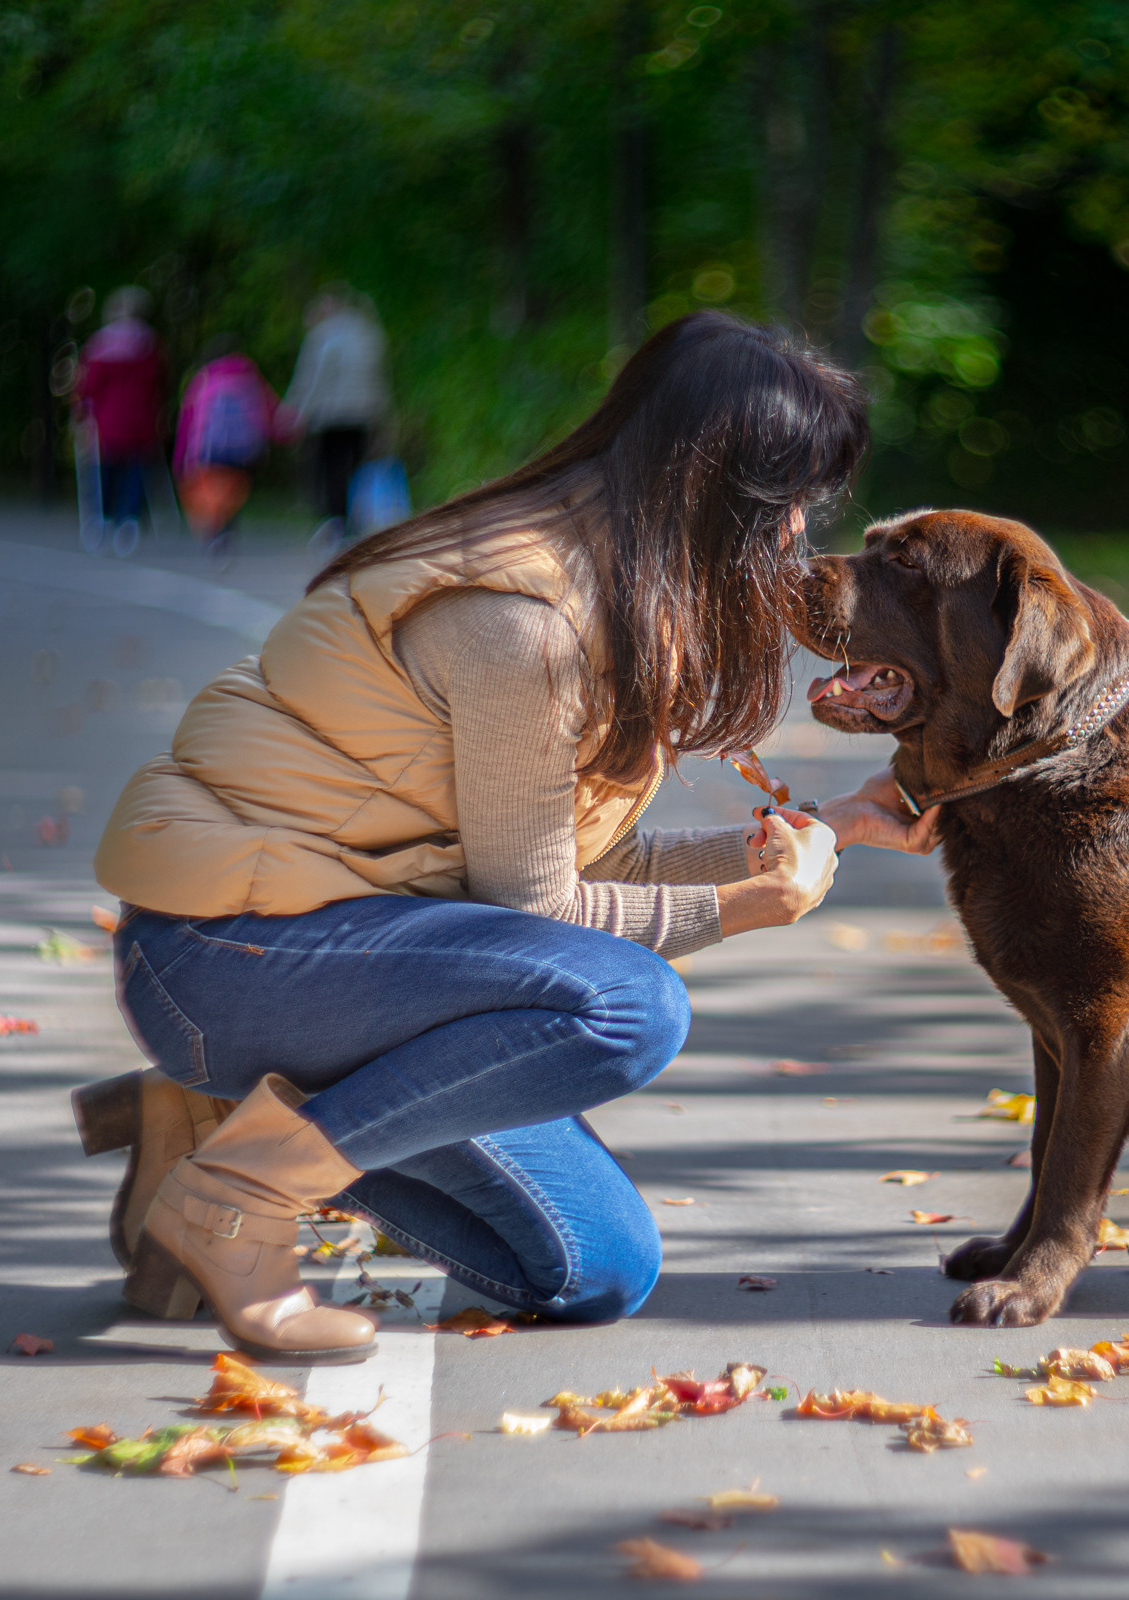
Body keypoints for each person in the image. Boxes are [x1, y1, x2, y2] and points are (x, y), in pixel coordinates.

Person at [82, 312, 941, 1363]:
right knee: (629, 1002)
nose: (801, 532)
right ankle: (241, 1191)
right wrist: (746, 907)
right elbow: (541, 915)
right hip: (231, 948)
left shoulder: (617, 595)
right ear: (716, 495)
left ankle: (223, 1118)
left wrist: (829, 831)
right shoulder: (521, 620)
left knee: (594, 1269)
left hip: (361, 952)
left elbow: (572, 868)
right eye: (791, 502)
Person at [280, 285, 389, 554]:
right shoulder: (369, 332)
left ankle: (336, 523)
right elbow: (380, 375)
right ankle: (355, 523)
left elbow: (312, 377)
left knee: (331, 467)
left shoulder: (324, 334)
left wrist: (296, 410)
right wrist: (382, 412)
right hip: (365, 412)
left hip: (332, 413)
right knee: (355, 466)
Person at [73, 287, 167, 558]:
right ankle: (128, 521)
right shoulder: (150, 344)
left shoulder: (99, 345)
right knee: (135, 469)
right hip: (141, 418)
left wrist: (81, 413)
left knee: (104, 468)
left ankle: (101, 519)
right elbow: (159, 382)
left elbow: (89, 385)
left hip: (107, 420)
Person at [173, 334, 282, 565]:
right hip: (245, 449)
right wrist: (280, 433)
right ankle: (227, 531)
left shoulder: (203, 379)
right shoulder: (250, 377)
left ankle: (215, 533)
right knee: (232, 491)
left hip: (212, 449)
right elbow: (268, 409)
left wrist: (181, 457)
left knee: (212, 491)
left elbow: (188, 421)